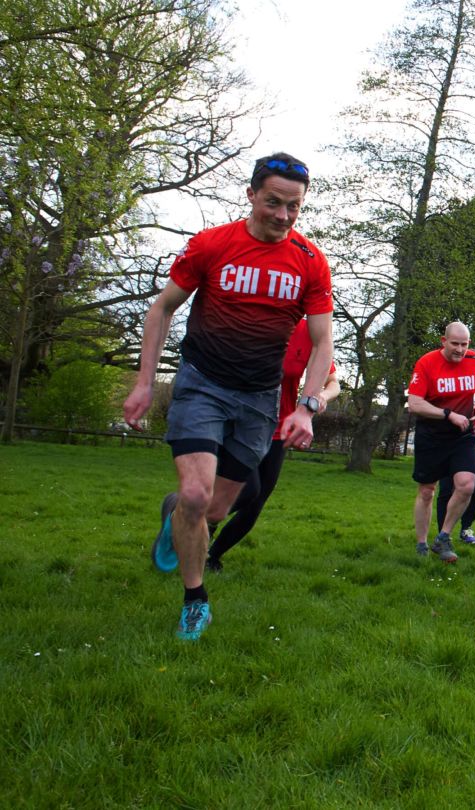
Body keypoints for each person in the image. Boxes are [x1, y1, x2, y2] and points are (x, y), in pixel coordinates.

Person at [124, 153, 333, 641]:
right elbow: (162, 310)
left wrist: (306, 406)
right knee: (198, 495)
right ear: (251, 195)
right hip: (203, 384)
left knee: (213, 510)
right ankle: (195, 601)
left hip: (259, 399)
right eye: (273, 202)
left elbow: (323, 342)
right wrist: (143, 381)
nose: (282, 215)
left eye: (294, 207)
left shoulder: (309, 261)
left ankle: (175, 512)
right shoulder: (212, 245)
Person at [205, 316, 340, 572]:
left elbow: (334, 383)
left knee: (256, 503)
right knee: (248, 490)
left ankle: (212, 555)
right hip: (240, 422)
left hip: (280, 428)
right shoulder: (252, 320)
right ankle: (192, 520)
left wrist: (321, 396)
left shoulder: (311, 333)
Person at [407, 321, 475, 562]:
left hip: (463, 433)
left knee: (467, 484)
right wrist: (447, 414)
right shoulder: (427, 363)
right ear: (443, 341)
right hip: (432, 434)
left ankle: (443, 537)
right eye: (455, 344)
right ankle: (422, 543)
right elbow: (414, 403)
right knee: (427, 491)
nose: (460, 349)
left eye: (464, 344)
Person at [436, 389, 475, 547]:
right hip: (448, 442)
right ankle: (443, 534)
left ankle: (466, 528)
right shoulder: (455, 380)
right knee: (446, 489)